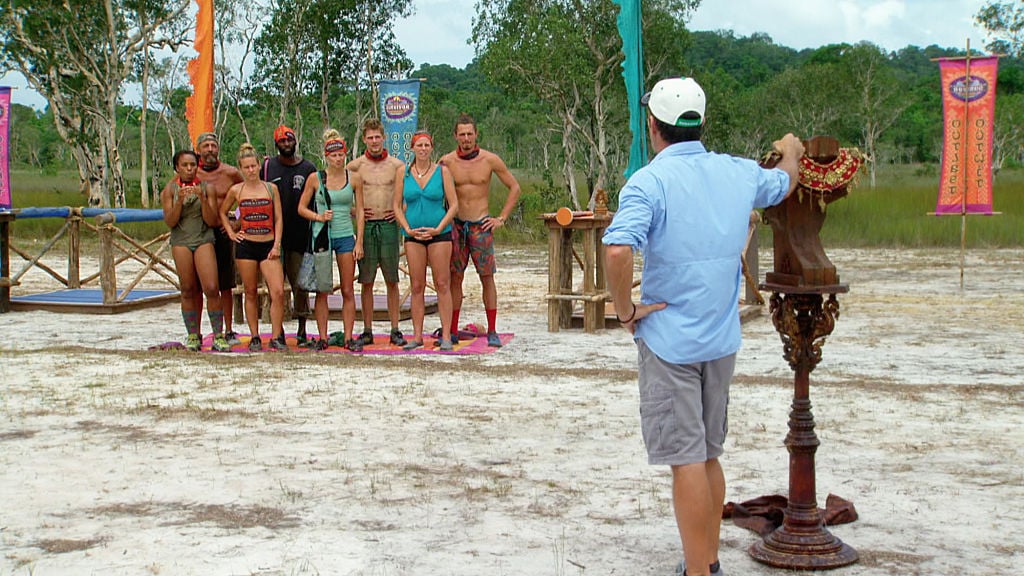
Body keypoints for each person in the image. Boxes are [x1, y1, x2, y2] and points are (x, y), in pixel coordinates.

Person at [602, 77, 805, 576]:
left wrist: (626, 311)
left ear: (653, 126)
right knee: (709, 454)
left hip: (670, 339)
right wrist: (792, 150)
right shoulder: (738, 173)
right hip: (720, 337)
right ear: (700, 123)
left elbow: (616, 248)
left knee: (686, 458)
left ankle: (699, 571)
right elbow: (785, 180)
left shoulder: (649, 182)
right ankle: (707, 560)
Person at [440, 113, 521, 347]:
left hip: (481, 225)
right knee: (455, 278)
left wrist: (501, 218)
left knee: (487, 278)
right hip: (456, 227)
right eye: (461, 134)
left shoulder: (489, 160)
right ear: (455, 136)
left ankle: (493, 329)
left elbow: (514, 187)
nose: (466, 138)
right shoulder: (446, 162)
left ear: (476, 134)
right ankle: (452, 329)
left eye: (469, 133)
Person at [297, 130, 365, 352]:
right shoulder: (315, 179)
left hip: (345, 235)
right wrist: (318, 216)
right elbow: (301, 208)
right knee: (323, 289)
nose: (338, 159)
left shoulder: (353, 178)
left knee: (347, 289)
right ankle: (323, 337)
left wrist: (359, 241)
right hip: (322, 236)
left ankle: (347, 337)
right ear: (326, 156)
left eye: (341, 155)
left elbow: (361, 211)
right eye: (334, 155)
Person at [393, 130, 458, 351]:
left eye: (426, 145)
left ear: (431, 148)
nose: (423, 149)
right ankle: (417, 335)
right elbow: (396, 205)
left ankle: (447, 335)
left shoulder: (442, 172)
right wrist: (407, 229)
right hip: (413, 236)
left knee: (442, 283)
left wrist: (440, 227)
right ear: (412, 148)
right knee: (417, 285)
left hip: (439, 233)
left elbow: (454, 204)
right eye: (419, 145)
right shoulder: (404, 172)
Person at [161, 149, 231, 352]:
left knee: (211, 287)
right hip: (181, 240)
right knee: (188, 289)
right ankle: (193, 334)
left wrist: (201, 198)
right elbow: (170, 221)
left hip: (203, 238)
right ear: (177, 167)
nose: (189, 169)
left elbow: (212, 220)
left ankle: (218, 334)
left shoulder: (206, 188)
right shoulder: (169, 190)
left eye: (193, 165)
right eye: (185, 165)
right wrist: (180, 201)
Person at [220, 143, 288, 352]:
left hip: (268, 245)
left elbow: (278, 218)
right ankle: (255, 335)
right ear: (240, 169)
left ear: (259, 166)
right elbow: (223, 212)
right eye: (246, 167)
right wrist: (232, 233)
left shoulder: (270, 188)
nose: (250, 170)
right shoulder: (236, 190)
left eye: (253, 166)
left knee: (276, 292)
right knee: (250, 291)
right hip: (246, 246)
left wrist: (276, 244)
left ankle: (277, 335)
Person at [346, 118, 407, 347]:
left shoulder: (397, 166)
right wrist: (355, 211)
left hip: (390, 226)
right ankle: (367, 329)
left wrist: (400, 211)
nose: (374, 141)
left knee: (392, 279)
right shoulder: (355, 166)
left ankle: (395, 328)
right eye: (370, 137)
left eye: (377, 137)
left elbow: (406, 195)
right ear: (364, 139)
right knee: (367, 280)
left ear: (384, 138)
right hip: (367, 226)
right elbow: (338, 193)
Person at [261, 125, 318, 346]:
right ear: (276, 144)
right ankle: (278, 331)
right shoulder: (267, 167)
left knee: (300, 285)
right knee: (275, 287)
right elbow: (253, 190)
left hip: (300, 234)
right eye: (282, 141)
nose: (286, 144)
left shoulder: (308, 168)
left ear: (295, 142)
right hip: (271, 237)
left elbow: (316, 198)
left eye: (290, 140)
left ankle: (302, 329)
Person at [196, 132, 244, 344]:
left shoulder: (231, 173)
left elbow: (250, 193)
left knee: (225, 283)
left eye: (213, 146)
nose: (210, 150)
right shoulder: (192, 173)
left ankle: (228, 329)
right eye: (205, 146)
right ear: (198, 149)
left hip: (224, 232)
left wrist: (238, 222)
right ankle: (196, 331)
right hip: (199, 232)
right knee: (199, 285)